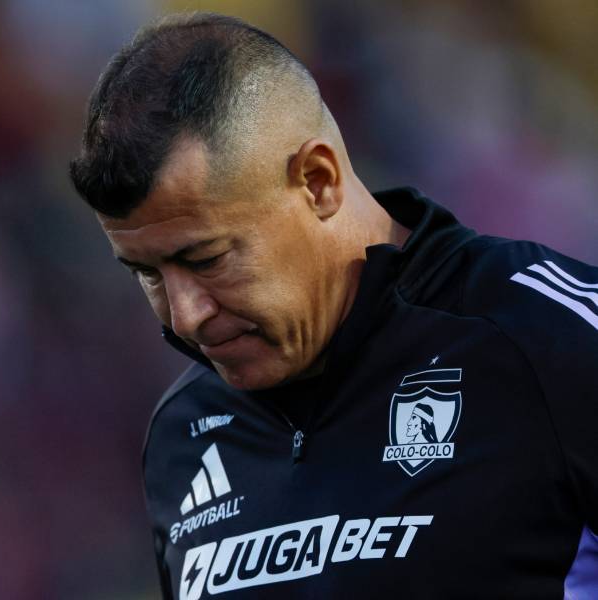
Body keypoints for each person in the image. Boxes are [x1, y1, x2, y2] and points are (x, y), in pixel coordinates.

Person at [69, 12, 598, 599]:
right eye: (146, 273)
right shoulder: (183, 434)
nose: (185, 315)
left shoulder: (550, 340)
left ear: (318, 181)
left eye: (207, 259)